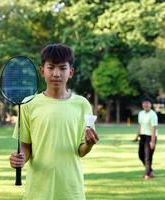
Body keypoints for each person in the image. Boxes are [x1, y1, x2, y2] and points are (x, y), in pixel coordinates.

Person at [9, 43, 99, 199]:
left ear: (70, 72)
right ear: (42, 70)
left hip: (71, 190)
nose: (56, 73)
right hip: (37, 191)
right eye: (51, 67)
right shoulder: (28, 103)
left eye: (62, 68)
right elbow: (26, 147)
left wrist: (89, 144)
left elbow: (80, 151)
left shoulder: (82, 104)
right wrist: (20, 159)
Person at [133, 97, 158, 180]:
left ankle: (147, 174)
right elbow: (140, 125)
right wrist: (137, 136)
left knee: (148, 156)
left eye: (147, 103)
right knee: (140, 155)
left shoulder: (153, 114)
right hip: (142, 136)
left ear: (150, 105)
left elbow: (154, 128)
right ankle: (150, 171)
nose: (146, 105)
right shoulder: (141, 113)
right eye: (144, 103)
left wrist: (153, 141)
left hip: (150, 136)